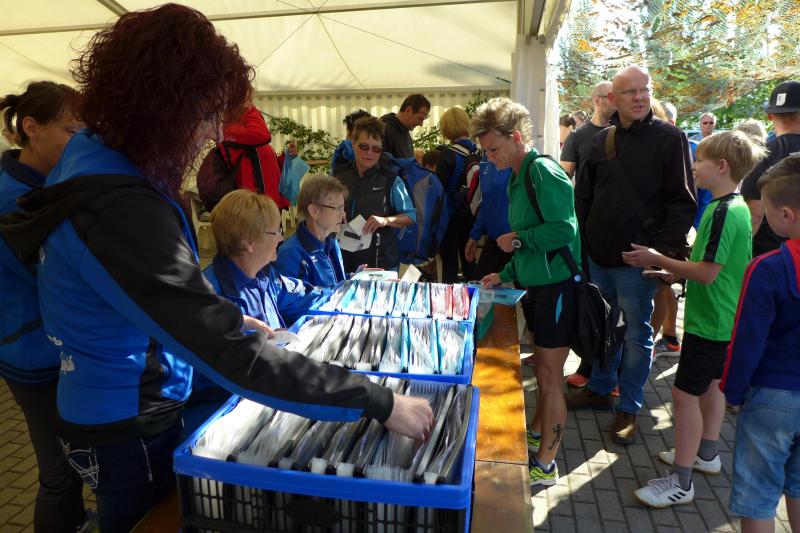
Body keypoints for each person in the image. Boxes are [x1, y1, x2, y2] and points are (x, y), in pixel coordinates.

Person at [0, 6, 432, 530]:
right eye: (207, 115)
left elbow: (143, 296)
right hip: (127, 419)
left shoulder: (93, 159)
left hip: (111, 403)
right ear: (166, 105)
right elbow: (226, 352)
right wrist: (377, 400)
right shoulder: (119, 202)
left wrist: (209, 313)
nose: (212, 133)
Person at [623, 131, 765, 508]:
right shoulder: (735, 207)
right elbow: (713, 266)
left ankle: (681, 481)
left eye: (699, 161)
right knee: (712, 388)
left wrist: (657, 258)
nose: (693, 167)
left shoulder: (721, 212)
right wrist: (673, 272)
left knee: (684, 396)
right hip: (723, 318)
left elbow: (707, 272)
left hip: (710, 322)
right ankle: (706, 454)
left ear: (722, 166)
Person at [568, 65, 696, 445]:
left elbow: (682, 203)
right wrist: (584, 246)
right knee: (603, 326)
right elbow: (583, 197)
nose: (640, 97)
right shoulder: (600, 140)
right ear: (613, 98)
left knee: (637, 335)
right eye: (630, 92)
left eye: (645, 90)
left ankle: (629, 407)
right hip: (598, 257)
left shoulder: (671, 138)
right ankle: (600, 388)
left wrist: (660, 255)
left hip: (636, 262)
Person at [0, 82, 94, 533]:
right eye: (71, 131)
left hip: (45, 343)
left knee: (69, 465)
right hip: (31, 351)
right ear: (32, 128)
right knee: (59, 472)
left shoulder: (45, 182)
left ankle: (74, 521)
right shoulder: (13, 198)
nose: (79, 143)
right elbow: (51, 275)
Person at [474, 97, 581, 487]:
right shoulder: (518, 174)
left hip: (557, 289)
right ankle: (536, 434)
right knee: (544, 371)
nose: (490, 158)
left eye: (494, 150)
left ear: (517, 137)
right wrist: (504, 273)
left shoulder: (542, 171)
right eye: (486, 152)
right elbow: (531, 243)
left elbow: (563, 230)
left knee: (550, 376)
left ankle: (546, 465)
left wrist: (517, 239)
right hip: (538, 287)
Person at [721, 155, 800, 533]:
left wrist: (733, 391)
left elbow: (746, 340)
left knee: (757, 496)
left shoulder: (767, 268)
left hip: (772, 396)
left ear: (786, 215)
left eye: (765, 210)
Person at [560, 81, 616, 387]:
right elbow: (562, 179)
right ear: (596, 100)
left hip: (619, 233)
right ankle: (588, 362)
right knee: (590, 298)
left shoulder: (627, 134)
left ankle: (611, 371)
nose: (615, 101)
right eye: (609, 96)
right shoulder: (579, 136)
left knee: (617, 307)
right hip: (586, 231)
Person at [332, 116, 416, 273]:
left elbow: (411, 216)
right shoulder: (337, 177)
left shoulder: (390, 180)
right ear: (353, 144)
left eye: (376, 149)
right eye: (364, 147)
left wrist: (385, 220)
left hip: (380, 264)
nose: (369, 153)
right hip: (342, 261)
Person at [741, 80, 800, 256]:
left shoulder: (763, 154)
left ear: (770, 116)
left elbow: (755, 212)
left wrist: (741, 252)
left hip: (773, 254)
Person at [218, 91, 297, 210]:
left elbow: (264, 165)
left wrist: (286, 157)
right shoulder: (230, 131)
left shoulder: (248, 134)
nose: (250, 104)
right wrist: (251, 111)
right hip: (254, 207)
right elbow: (261, 135)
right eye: (247, 99)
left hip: (267, 204)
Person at [274, 174, 348, 287]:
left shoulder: (331, 241)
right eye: (337, 208)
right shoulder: (290, 255)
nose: (343, 214)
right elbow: (291, 297)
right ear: (314, 211)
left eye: (342, 207)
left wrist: (353, 279)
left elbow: (335, 285)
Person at [436, 106, 478, 283]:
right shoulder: (480, 152)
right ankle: (475, 296)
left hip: (450, 217)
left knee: (449, 265)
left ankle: (450, 299)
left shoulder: (446, 155)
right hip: (472, 215)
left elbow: (439, 190)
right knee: (470, 262)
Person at [465, 159, 513, 280]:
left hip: (518, 241)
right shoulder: (485, 163)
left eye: (493, 150)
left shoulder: (522, 163)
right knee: (479, 284)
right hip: (495, 240)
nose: (490, 154)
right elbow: (486, 203)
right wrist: (474, 236)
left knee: (526, 289)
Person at [380, 94, 430, 159]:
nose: (421, 124)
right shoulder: (384, 129)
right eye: (420, 118)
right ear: (408, 110)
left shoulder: (405, 131)